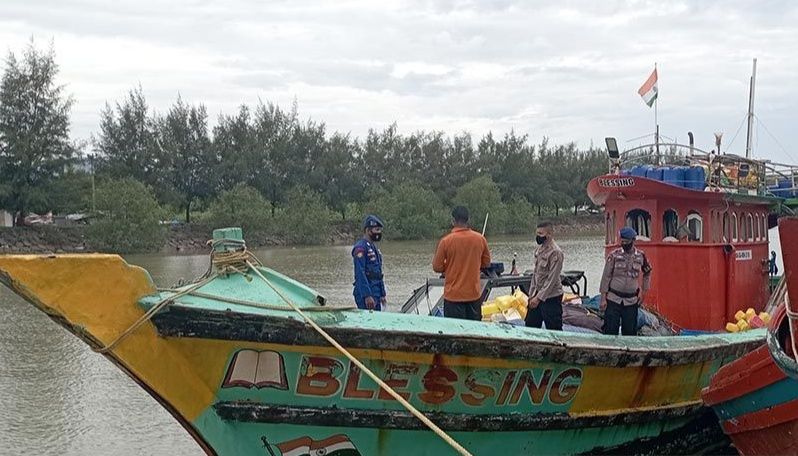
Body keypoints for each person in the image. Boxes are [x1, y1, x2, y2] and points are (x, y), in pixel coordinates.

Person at [432, 206, 491, 321]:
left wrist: (449, 266)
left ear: (453, 221)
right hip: (473, 296)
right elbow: (486, 263)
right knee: (473, 329)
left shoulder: (446, 241)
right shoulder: (480, 239)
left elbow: (437, 267)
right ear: (468, 220)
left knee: (454, 330)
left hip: (453, 297)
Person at [599, 227, 652, 336]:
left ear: (633, 240)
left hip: (631, 301)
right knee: (610, 330)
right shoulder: (614, 255)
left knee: (630, 332)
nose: (624, 244)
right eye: (622, 241)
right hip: (614, 299)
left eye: (626, 242)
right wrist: (603, 298)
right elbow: (606, 276)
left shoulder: (641, 256)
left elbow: (647, 272)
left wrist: (643, 292)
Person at [525, 221, 564, 331]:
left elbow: (552, 279)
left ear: (549, 234)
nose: (538, 236)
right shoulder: (539, 250)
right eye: (537, 233)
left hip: (551, 297)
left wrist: (538, 298)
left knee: (554, 329)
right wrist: (531, 295)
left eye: (541, 234)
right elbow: (536, 274)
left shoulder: (556, 252)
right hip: (536, 293)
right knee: (530, 326)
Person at [352, 215, 386, 311]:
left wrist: (382, 294)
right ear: (368, 230)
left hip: (376, 292)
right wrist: (367, 295)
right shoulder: (361, 248)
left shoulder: (374, 248)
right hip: (366, 293)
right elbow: (360, 273)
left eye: (380, 230)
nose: (379, 233)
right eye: (377, 230)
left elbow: (378, 273)